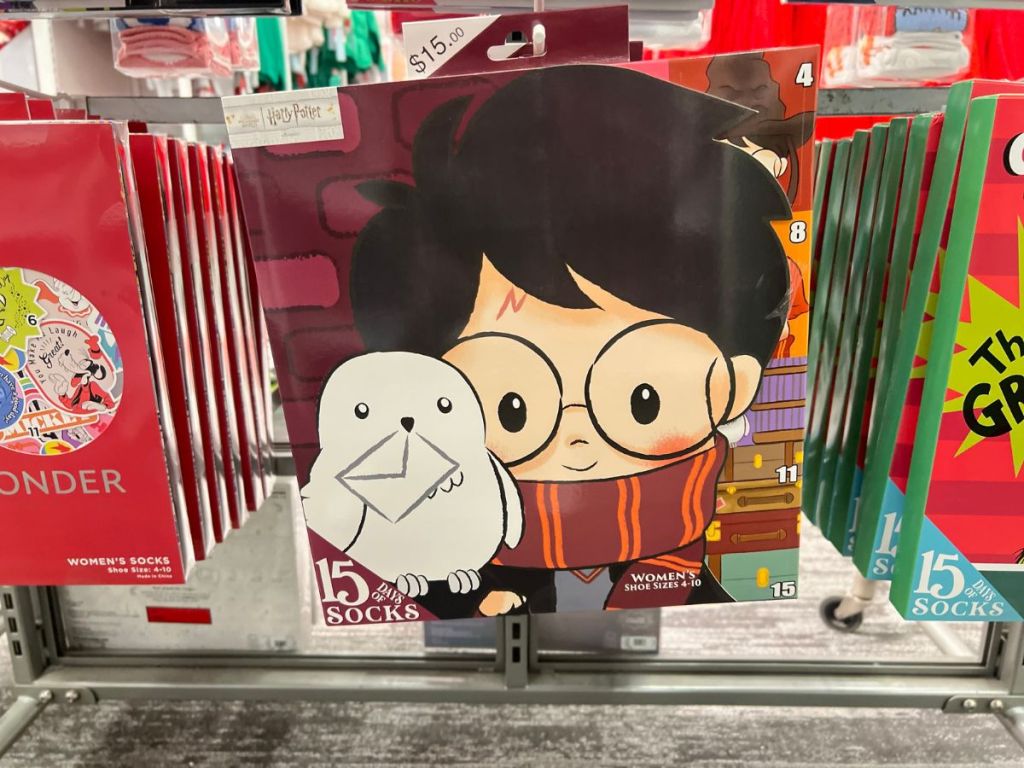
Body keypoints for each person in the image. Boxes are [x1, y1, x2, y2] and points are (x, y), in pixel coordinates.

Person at [348, 66, 792, 617]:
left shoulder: (712, 576)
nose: (577, 441)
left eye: (644, 400)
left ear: (737, 383)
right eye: (511, 409)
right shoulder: (454, 563)